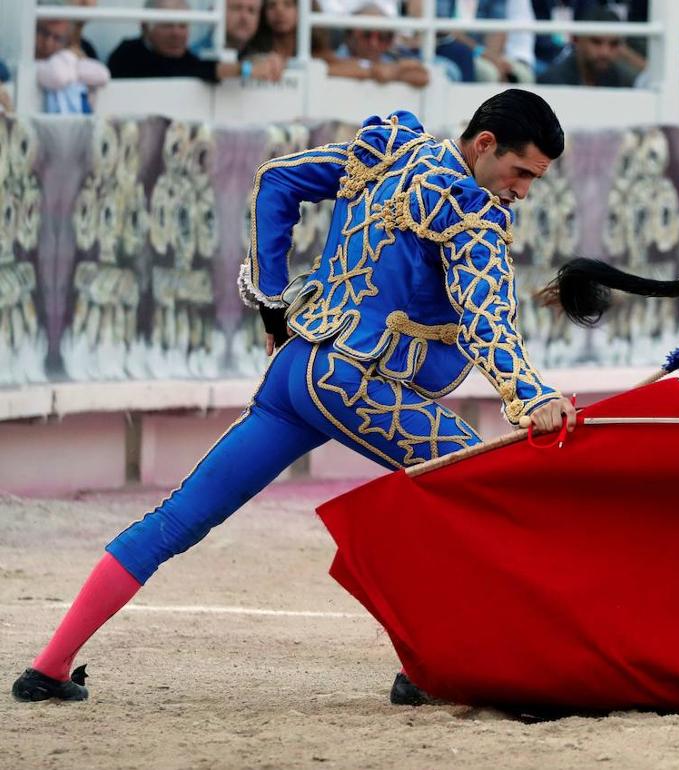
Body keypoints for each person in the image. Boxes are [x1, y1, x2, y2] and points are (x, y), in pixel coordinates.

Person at [11, 89, 579, 705]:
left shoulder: (392, 151)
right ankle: (457, 667)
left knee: (177, 518)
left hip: (296, 369)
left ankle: (49, 664)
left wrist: (276, 304)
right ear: (485, 145)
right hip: (355, 384)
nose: (521, 191)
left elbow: (277, 181)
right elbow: (485, 317)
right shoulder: (471, 209)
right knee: (476, 487)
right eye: (520, 173)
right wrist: (531, 397)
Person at [108, 0, 284, 84]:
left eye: (183, 26)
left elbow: (203, 68)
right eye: (168, 25)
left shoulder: (187, 57)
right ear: (145, 27)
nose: (176, 33)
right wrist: (245, 68)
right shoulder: (127, 54)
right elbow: (191, 70)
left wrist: (255, 64)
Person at [323, 2, 430, 87]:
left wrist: (392, 70)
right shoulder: (332, 58)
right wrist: (374, 71)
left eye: (383, 36)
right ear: (349, 35)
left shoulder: (390, 60)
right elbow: (325, 70)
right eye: (367, 34)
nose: (374, 43)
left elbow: (423, 77)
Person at [537, 6, 637, 87]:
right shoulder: (552, 82)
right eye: (596, 42)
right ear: (577, 40)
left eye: (613, 44)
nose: (604, 52)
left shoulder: (624, 81)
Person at [36, 14, 110, 113]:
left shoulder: (71, 59)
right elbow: (58, 77)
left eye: (57, 38)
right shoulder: (25, 58)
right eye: (44, 33)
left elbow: (103, 76)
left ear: (67, 42)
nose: (48, 43)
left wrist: (71, 60)